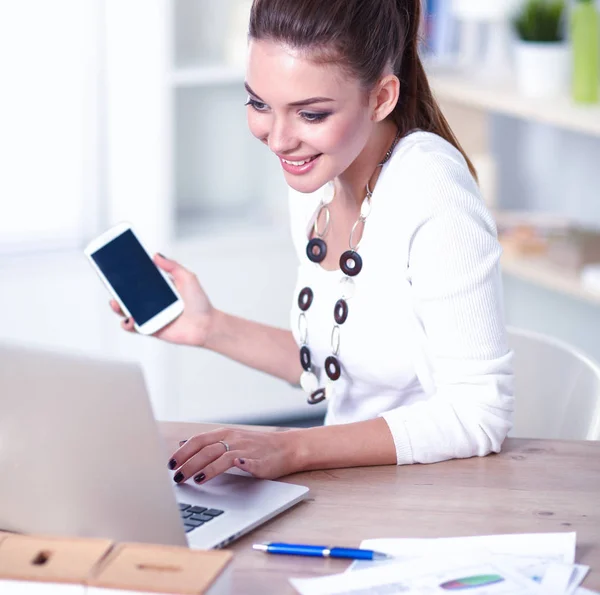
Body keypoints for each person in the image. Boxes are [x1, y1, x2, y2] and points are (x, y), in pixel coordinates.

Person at [111, 0, 514, 485]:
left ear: (382, 97)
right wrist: (208, 327)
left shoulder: (434, 192)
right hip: (345, 485)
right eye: (259, 104)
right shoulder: (319, 176)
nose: (279, 140)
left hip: (435, 496)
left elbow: (478, 415)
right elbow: (340, 368)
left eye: (312, 113)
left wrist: (291, 445)